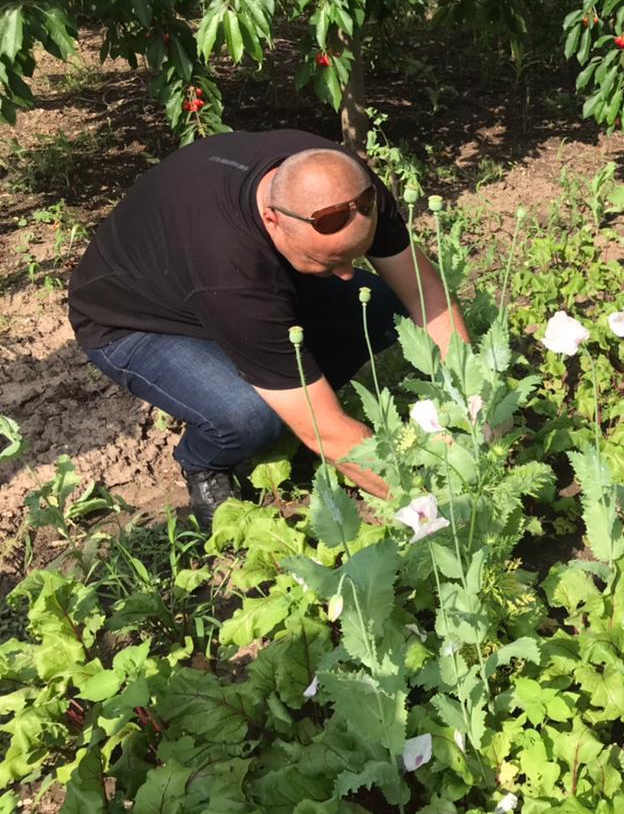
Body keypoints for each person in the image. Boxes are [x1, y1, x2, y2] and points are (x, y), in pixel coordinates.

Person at [67, 129, 467, 529]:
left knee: (382, 307)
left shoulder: (346, 187)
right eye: (328, 262)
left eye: (353, 257)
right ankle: (204, 461)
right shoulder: (230, 272)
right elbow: (323, 430)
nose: (347, 274)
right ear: (272, 220)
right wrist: (429, 509)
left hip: (215, 286)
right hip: (136, 323)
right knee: (250, 416)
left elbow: (424, 292)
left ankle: (283, 382)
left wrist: (472, 397)